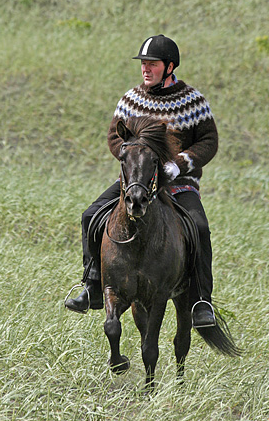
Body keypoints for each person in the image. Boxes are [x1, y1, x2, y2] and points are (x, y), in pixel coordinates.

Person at [65, 34, 219, 327]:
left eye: (153, 64)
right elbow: (114, 136)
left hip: (178, 184)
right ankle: (92, 285)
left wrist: (178, 165)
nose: (146, 69)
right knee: (89, 216)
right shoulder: (130, 100)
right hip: (136, 181)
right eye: (143, 64)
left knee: (200, 229)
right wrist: (130, 158)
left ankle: (201, 302)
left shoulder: (193, 101)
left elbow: (208, 141)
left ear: (170, 66)